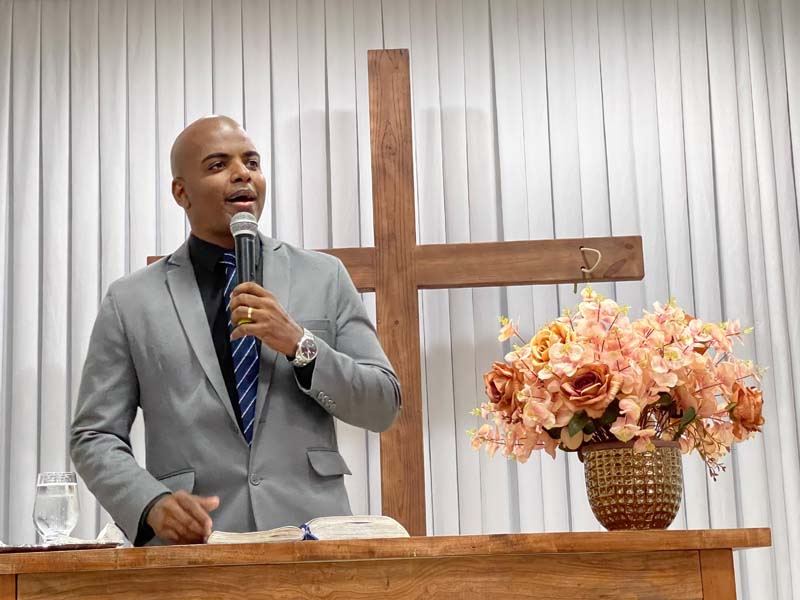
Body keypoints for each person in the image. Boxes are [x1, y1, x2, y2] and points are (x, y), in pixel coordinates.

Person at [70, 116, 401, 546]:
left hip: (310, 541)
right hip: (193, 549)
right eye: (218, 165)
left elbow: (382, 405)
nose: (243, 173)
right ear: (181, 192)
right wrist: (149, 504)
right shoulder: (130, 300)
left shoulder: (324, 276)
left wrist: (300, 344)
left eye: (252, 162)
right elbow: (94, 434)